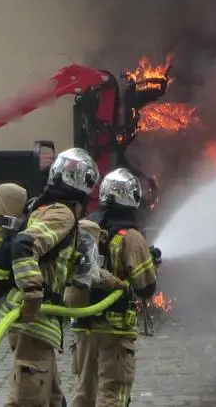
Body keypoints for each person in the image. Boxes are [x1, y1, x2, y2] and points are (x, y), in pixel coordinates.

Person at [0, 147, 100, 407]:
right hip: (35, 320)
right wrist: (33, 291)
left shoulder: (44, 206)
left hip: (36, 323)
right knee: (29, 399)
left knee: (53, 398)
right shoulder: (62, 214)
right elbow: (23, 245)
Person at [71, 167, 159, 407]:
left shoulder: (85, 226)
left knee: (84, 394)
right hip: (114, 331)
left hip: (83, 327)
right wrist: (151, 263)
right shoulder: (131, 236)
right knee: (112, 394)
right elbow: (146, 288)